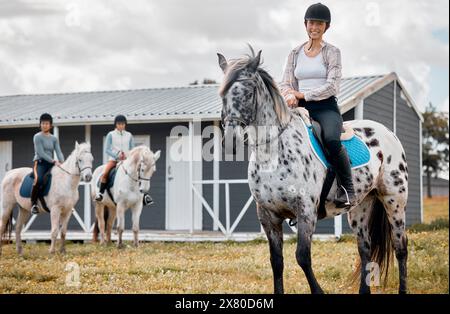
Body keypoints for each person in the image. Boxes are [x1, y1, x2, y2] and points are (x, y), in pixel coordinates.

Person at [279, 2, 355, 208]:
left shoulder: (332, 52)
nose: (315, 27)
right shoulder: (294, 53)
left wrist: (302, 93)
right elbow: (285, 83)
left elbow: (332, 86)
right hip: (298, 108)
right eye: (312, 23)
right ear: (305, 24)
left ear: (326, 27)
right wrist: (289, 96)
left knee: (331, 140)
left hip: (325, 108)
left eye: (320, 24)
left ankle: (347, 189)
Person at [31, 113, 65, 214]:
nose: (44, 125)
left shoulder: (54, 138)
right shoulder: (37, 137)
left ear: (50, 125)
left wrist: (63, 162)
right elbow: (41, 153)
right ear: (40, 124)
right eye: (43, 123)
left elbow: (58, 151)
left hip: (51, 164)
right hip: (40, 163)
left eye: (47, 123)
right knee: (39, 179)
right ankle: (34, 204)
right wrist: (54, 161)